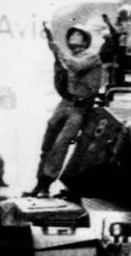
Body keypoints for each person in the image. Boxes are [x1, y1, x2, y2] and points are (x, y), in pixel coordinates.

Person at [31, 24, 102, 196]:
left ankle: (46, 183)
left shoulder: (92, 57)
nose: (73, 37)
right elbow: (62, 74)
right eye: (71, 35)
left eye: (78, 35)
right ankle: (40, 183)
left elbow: (76, 66)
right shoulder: (70, 56)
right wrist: (54, 49)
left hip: (79, 108)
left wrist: (59, 51)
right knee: (48, 142)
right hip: (66, 103)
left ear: (85, 40)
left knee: (61, 144)